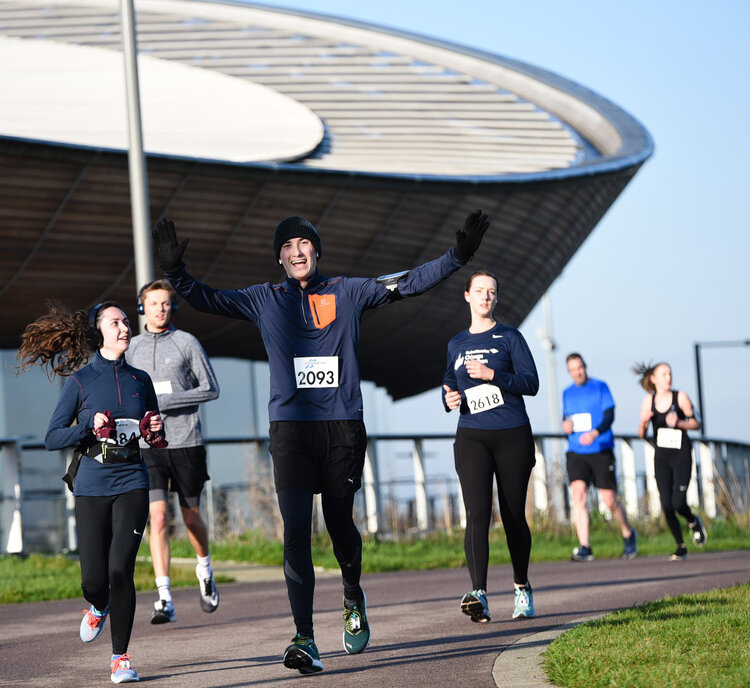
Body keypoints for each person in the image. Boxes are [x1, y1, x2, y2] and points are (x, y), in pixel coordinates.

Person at [151, 210, 489, 674]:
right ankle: (304, 638)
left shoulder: (349, 291)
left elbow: (408, 282)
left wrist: (458, 257)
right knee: (295, 533)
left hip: (341, 426)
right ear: (279, 259)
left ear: (316, 250)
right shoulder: (262, 299)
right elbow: (207, 298)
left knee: (338, 525)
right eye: (287, 247)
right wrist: (174, 273)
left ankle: (352, 595)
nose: (296, 252)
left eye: (303, 244)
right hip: (290, 429)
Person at [17, 301, 166, 684]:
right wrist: (87, 424)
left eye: (127, 322)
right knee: (94, 579)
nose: (125, 327)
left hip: (132, 478)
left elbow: (153, 436)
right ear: (100, 330)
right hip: (91, 485)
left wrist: (153, 432)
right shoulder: (81, 381)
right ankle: (97, 605)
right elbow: (52, 438)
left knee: (121, 570)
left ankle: (120, 659)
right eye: (116, 322)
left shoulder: (140, 380)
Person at [442, 269, 538, 623]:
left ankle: (521, 587)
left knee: (513, 517)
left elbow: (531, 383)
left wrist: (493, 375)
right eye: (479, 291)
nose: (485, 296)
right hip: (472, 436)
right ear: (466, 296)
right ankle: (478, 594)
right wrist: (448, 396)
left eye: (492, 292)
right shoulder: (455, 344)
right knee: (476, 514)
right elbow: (450, 380)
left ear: (496, 299)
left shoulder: (510, 337)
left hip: (512, 433)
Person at [125, 279, 221, 624]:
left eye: (166, 303)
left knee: (190, 518)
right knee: (159, 518)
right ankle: (164, 597)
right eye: (153, 304)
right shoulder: (131, 348)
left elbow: (211, 389)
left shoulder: (186, 342)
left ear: (172, 307)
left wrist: (166, 400)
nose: (160, 309)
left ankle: (205, 569)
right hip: (148, 447)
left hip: (186, 442)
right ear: (142, 308)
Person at [562, 353, 637, 561]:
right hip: (576, 450)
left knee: (609, 499)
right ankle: (584, 546)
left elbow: (609, 415)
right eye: (573, 369)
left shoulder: (600, 387)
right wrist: (565, 425)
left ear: (585, 367)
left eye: (580, 367)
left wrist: (595, 432)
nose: (577, 372)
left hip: (600, 448)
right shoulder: (567, 393)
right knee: (578, 494)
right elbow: (566, 417)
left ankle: (628, 533)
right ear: (569, 372)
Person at [634, 361, 706, 561]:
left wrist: (680, 422)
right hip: (662, 457)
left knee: (678, 502)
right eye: (664, 374)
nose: (669, 377)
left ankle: (693, 521)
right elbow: (641, 434)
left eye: (670, 373)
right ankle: (680, 545)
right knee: (666, 504)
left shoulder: (680, 397)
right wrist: (644, 422)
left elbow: (697, 423)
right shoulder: (648, 401)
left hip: (681, 454)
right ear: (654, 379)